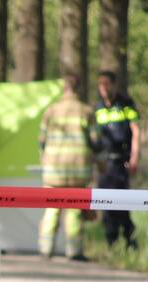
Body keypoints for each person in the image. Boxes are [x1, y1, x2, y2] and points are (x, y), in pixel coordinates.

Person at [38, 74, 97, 260]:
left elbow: (41, 141)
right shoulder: (86, 111)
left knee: (51, 209)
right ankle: (74, 251)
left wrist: (45, 160)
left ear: (63, 89)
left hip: (54, 170)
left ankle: (46, 249)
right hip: (78, 170)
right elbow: (95, 141)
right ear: (78, 89)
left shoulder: (51, 111)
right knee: (74, 210)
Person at [95, 70, 140, 249]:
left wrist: (135, 157)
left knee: (122, 203)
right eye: (101, 84)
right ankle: (110, 242)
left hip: (122, 162)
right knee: (105, 204)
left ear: (114, 84)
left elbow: (136, 131)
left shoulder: (126, 104)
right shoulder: (98, 107)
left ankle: (130, 239)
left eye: (107, 83)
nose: (104, 88)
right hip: (105, 164)